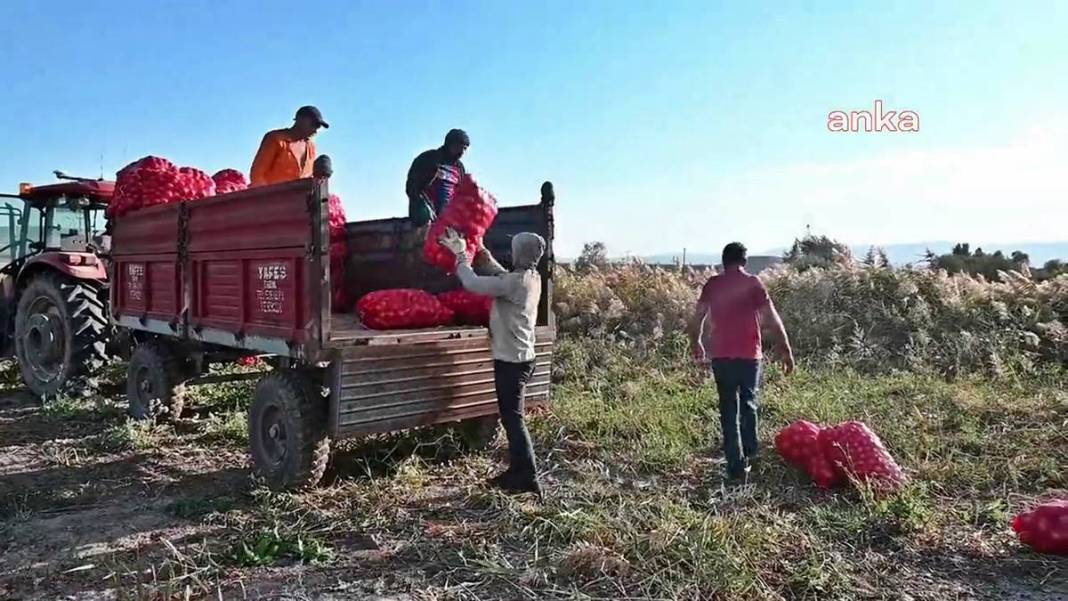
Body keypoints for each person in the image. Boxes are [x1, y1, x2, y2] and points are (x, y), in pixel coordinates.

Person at [438, 227, 546, 496]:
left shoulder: (515, 283)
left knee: (514, 420)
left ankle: (527, 476)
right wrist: (483, 254)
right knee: (512, 418)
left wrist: (461, 255)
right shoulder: (531, 277)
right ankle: (518, 471)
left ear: (520, 253)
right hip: (522, 358)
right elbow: (503, 276)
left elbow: (473, 284)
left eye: (515, 248)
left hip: (511, 362)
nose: (512, 251)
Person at [689, 242, 795, 481]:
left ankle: (734, 467)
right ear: (744, 261)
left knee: (728, 407)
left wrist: (695, 341)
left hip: (722, 356)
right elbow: (772, 318)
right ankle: (750, 455)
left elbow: (697, 317)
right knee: (748, 402)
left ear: (723, 261)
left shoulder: (712, 285)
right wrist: (785, 348)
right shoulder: (753, 283)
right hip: (749, 356)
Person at [250, 106, 329, 187]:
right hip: (271, 196)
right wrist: (265, 197)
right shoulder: (276, 139)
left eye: (318, 127)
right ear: (299, 119)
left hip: (300, 198)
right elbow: (257, 174)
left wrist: (321, 174)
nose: (315, 130)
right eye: (313, 124)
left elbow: (309, 179)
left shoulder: (311, 147)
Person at [405, 129, 469, 227]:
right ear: (449, 144)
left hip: (447, 216)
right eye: (459, 147)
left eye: (465, 148)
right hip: (425, 212)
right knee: (425, 228)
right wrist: (422, 206)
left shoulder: (459, 168)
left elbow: (461, 193)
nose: (462, 152)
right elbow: (411, 186)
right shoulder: (429, 158)